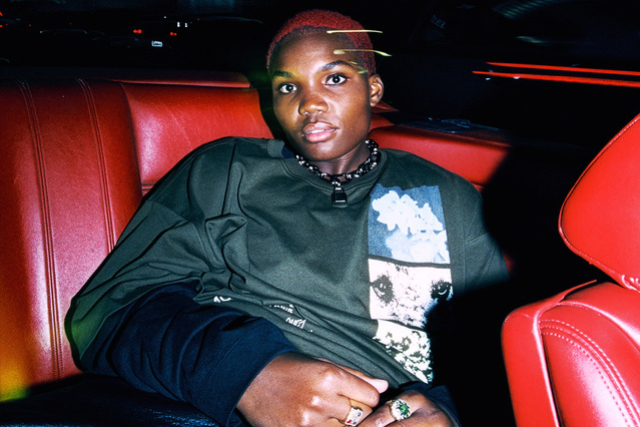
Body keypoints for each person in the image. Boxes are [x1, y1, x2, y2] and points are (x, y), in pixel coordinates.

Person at [66, 9, 508, 427]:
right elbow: (107, 312)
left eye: (335, 78)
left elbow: (494, 354)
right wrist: (245, 372)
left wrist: (448, 408)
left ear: (373, 90)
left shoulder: (444, 196)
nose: (309, 104)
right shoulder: (226, 170)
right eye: (287, 87)